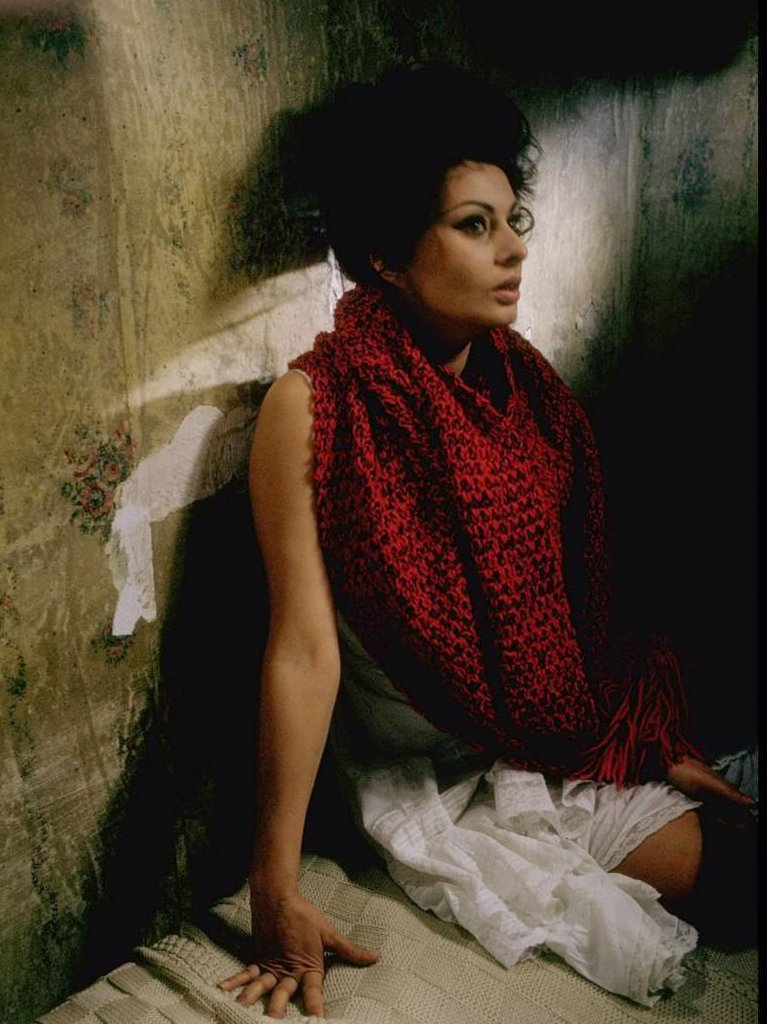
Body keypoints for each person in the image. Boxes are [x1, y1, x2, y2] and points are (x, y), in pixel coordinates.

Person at [218, 64, 756, 1020]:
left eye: (514, 219)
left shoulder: (525, 385)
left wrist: (638, 742)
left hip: (556, 729)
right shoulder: (314, 405)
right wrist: (274, 884)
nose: (513, 248)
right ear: (386, 255)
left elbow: (577, 608)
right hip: (444, 770)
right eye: (474, 225)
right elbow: (302, 650)